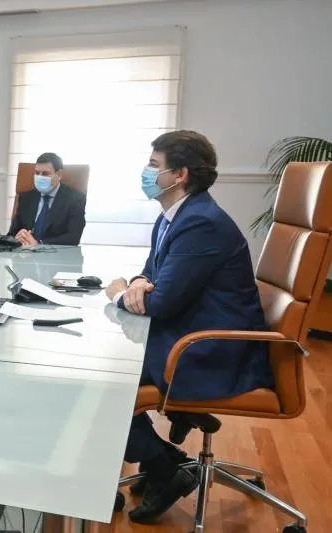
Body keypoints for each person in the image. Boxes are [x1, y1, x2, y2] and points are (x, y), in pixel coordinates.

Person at [104, 130, 273, 524]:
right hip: (190, 329)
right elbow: (150, 275)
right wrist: (137, 283)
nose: (146, 173)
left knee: (104, 381)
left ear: (179, 174)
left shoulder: (201, 223)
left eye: (153, 165)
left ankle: (165, 469)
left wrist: (119, 293)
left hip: (212, 349)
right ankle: (165, 460)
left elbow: (160, 302)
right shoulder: (174, 216)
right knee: (108, 368)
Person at [7, 152, 86, 246]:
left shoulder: (75, 199)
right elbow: (12, 233)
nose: (40, 177)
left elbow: (73, 237)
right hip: (24, 254)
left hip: (55, 256)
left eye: (45, 174)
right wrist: (17, 238)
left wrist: (39, 243)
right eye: (37, 173)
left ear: (59, 174)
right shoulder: (26, 198)